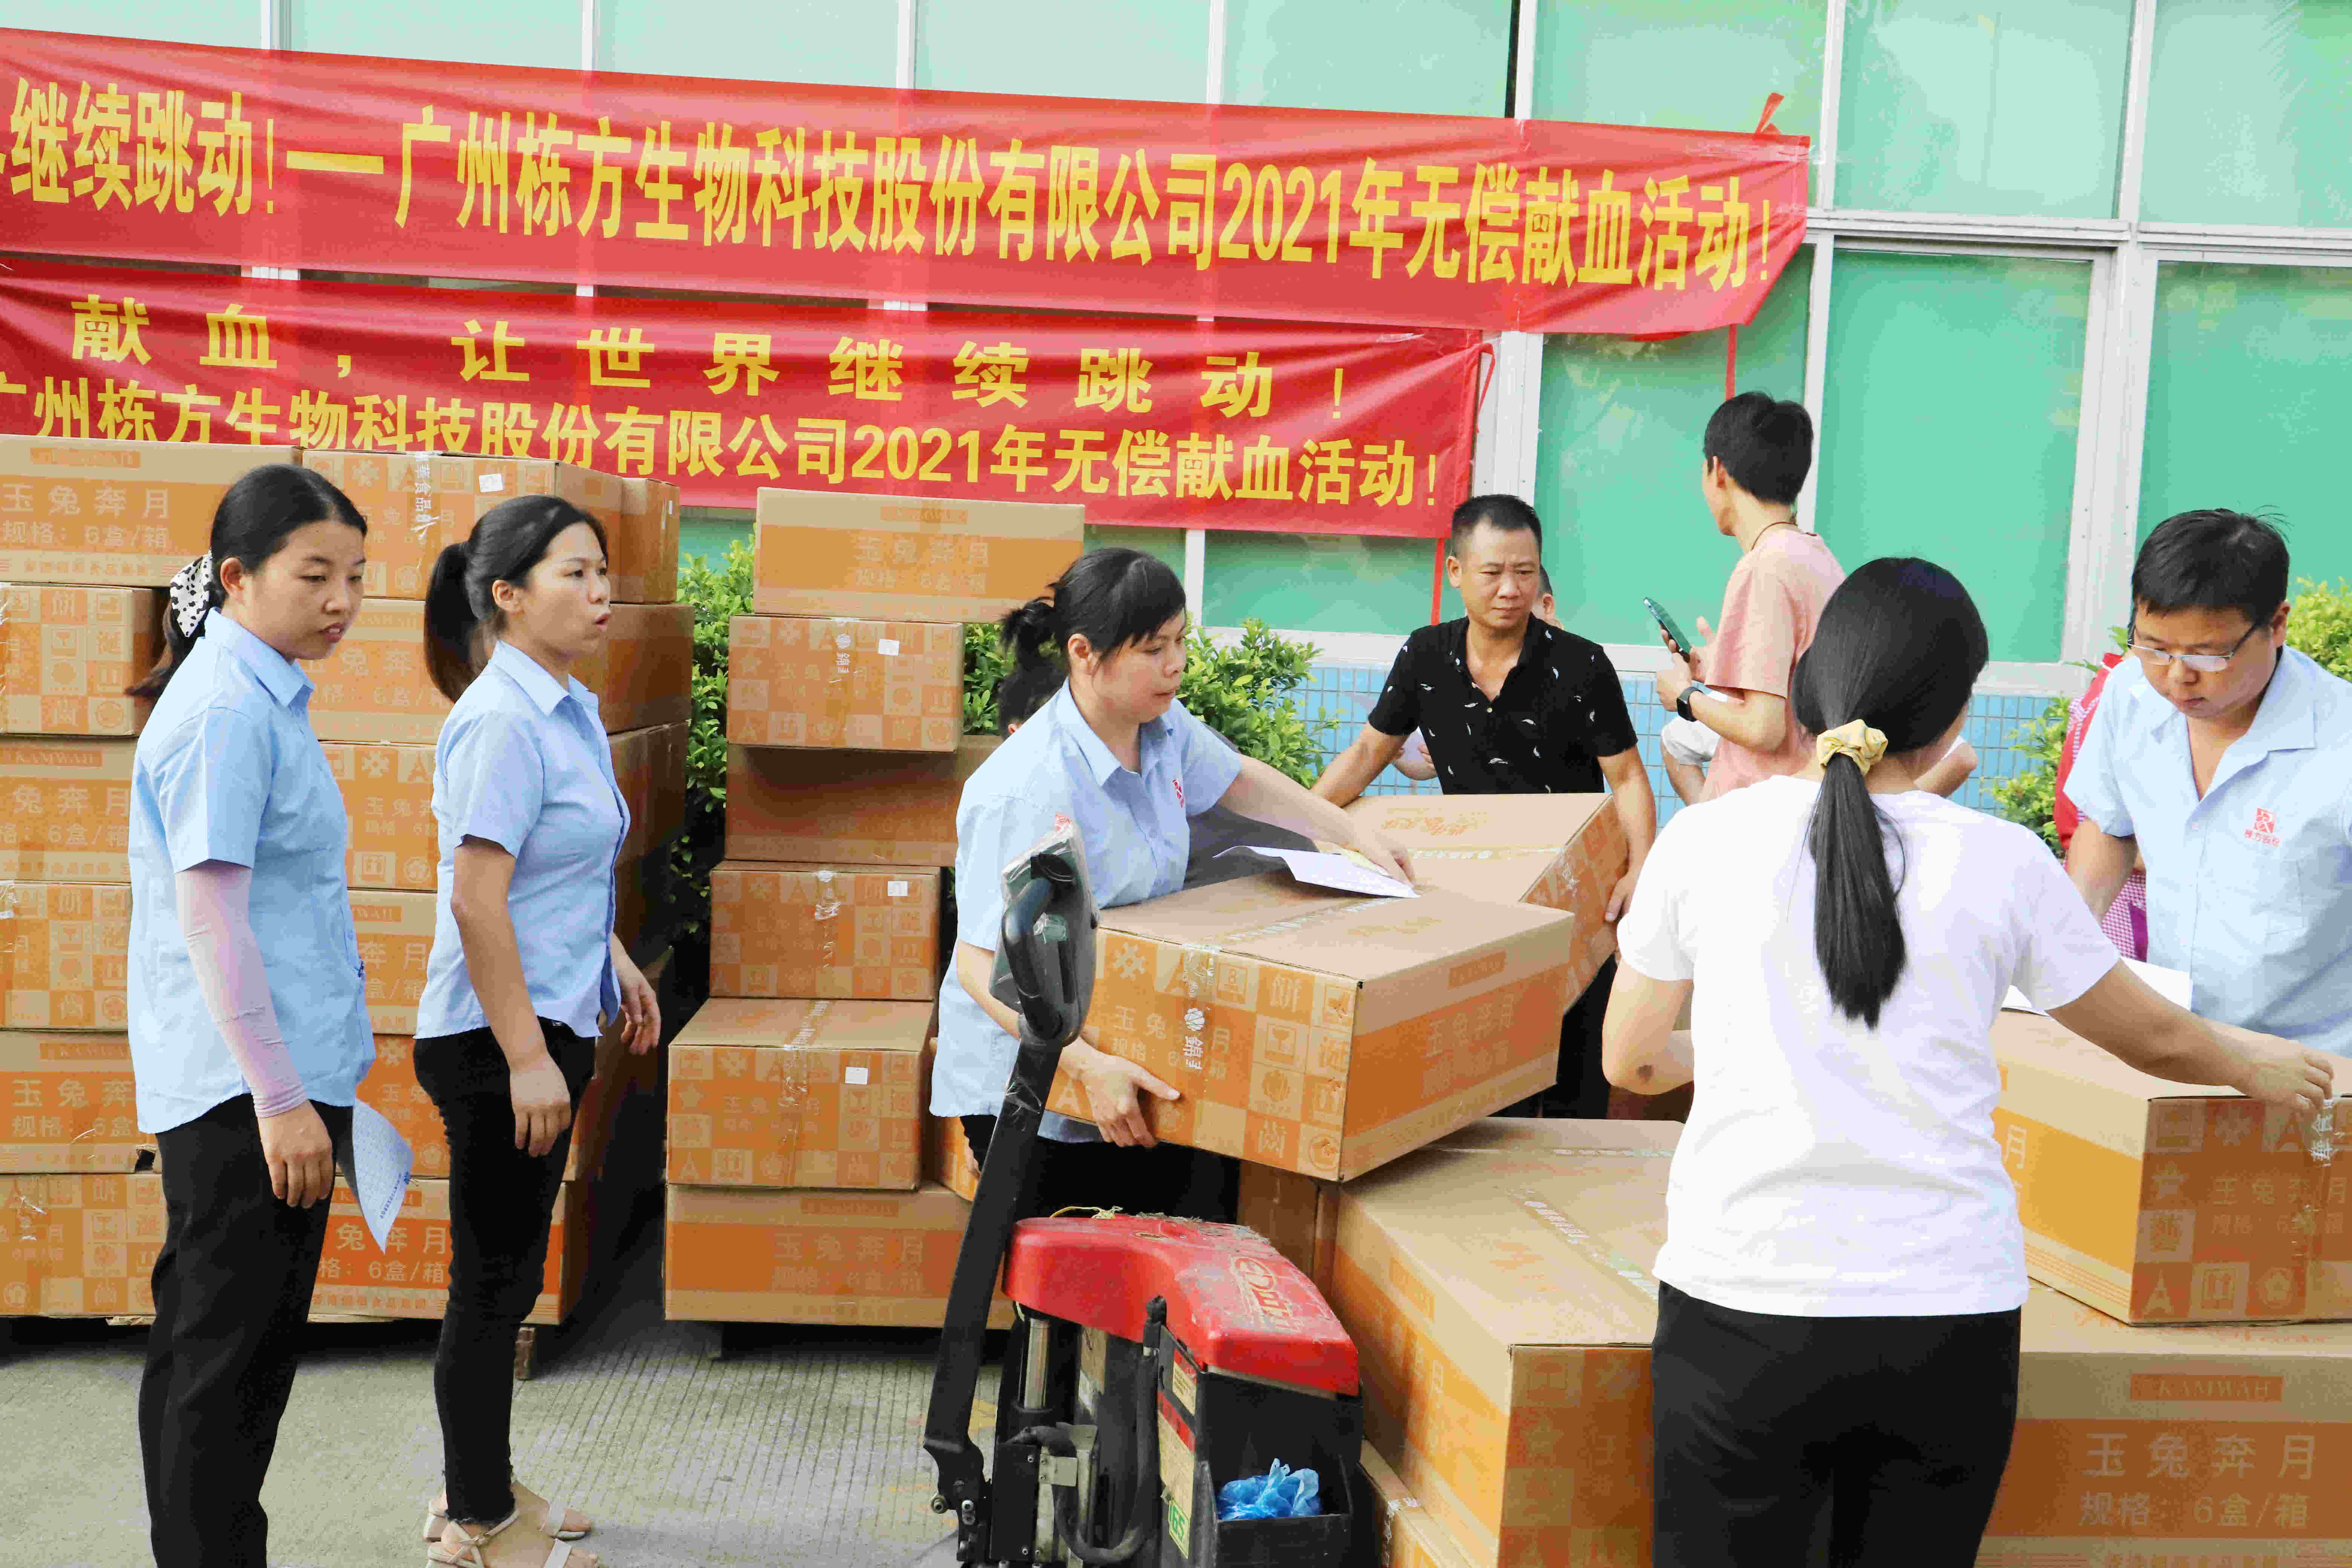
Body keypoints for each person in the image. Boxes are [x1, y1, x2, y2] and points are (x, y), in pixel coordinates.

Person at [1602, 557, 2332, 1568]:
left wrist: (1735, 1045)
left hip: (1744, 1305)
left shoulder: (1705, 842)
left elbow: (1633, 1061)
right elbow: (2149, 1034)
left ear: (1810, 689)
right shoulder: (2003, 862)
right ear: (1955, 715)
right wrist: (2254, 1065)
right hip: (1946, 1320)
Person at [934, 547, 1409, 1222]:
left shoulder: (1160, 728)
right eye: (1153, 649)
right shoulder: (1028, 788)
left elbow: (1239, 779)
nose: (1176, 664)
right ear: (1083, 654)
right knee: (1080, 1264)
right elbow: (982, 965)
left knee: (1188, 1240)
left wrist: (1354, 835)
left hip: (1135, 1039)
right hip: (1036, 1083)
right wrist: (1085, 1067)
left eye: (1181, 641)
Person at [126, 465, 374, 1568]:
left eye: (356, 576)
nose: (342, 600)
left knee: (220, 1359)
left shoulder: (259, 692)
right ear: (237, 577)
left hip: (265, 1082)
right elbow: (213, 917)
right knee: (225, 1371)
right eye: (315, 575)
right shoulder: (227, 711)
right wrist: (282, 1099)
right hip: (246, 1095)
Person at [415, 496, 662, 1568]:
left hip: (544, 1015)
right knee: (492, 1286)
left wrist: (613, 959)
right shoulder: (504, 721)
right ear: (507, 595)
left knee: (504, 1279)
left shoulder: (564, 706)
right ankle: (478, 1524)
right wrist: (525, 1057)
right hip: (494, 1038)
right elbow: (477, 899)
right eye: (574, 574)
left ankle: (477, 1482)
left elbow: (550, 869)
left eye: (603, 572)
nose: (600, 593)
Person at [1312, 495, 1655, 1118]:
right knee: (1486, 1076)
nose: (1510, 589)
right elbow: (1368, 752)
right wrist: (1301, 821)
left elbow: (1628, 777)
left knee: (1575, 1080)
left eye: (1525, 572)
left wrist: (1641, 870)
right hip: (1475, 901)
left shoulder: (1581, 664)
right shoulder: (1425, 656)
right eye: (1493, 572)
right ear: (1455, 572)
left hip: (1574, 898)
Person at [2066, 509, 2352, 1057]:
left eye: (2208, 654)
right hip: (2180, 1050)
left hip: (2318, 1068)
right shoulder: (2130, 695)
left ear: (2276, 624)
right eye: (2154, 647)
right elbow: (2108, 824)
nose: (2177, 677)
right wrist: (2069, 936)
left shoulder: (2341, 743)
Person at [1653, 392, 1848, 804]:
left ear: (1718, 471)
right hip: (1806, 800)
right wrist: (1715, 667)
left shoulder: (1764, 567)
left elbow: (1764, 729)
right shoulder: (1817, 555)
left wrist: (1686, 697)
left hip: (1764, 812)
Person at [1391, 566, 1559, 784]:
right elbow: (1426, 766)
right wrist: (1393, 754)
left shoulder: (1581, 668)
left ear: (1546, 606)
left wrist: (1471, 755)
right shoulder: (1457, 672)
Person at [2053, 648, 2148, 960]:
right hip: (2118, 890)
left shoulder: (2107, 686)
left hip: (2098, 882)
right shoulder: (2129, 695)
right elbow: (2108, 823)